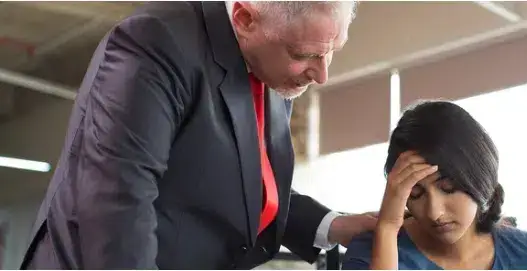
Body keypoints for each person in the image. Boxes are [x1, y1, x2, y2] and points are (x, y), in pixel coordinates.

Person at [20, 1, 377, 269]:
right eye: (306, 55)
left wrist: (332, 225)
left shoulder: (272, 62)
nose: (322, 74)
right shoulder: (156, 43)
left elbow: (241, 181)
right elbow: (118, 201)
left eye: (332, 52)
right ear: (244, 18)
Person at [342, 101, 527, 270]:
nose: (434, 213)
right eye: (416, 194)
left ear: (480, 177)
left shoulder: (525, 249)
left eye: (448, 188)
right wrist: (387, 228)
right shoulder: (370, 252)